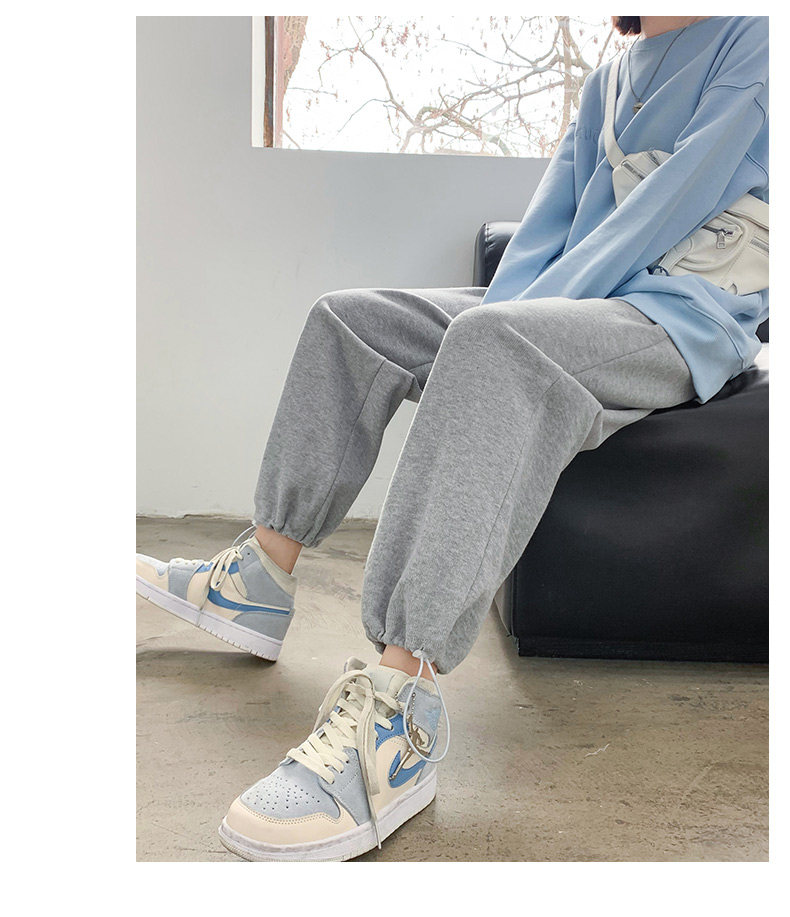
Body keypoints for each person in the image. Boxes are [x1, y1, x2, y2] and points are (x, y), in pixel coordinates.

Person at [136, 15, 769, 861]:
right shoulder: (610, 78)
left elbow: (674, 202)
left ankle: (400, 708)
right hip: (583, 300)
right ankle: (260, 573)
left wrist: (507, 331)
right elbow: (549, 226)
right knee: (352, 320)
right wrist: (503, 313)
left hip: (679, 320)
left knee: (492, 343)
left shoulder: (754, 39)